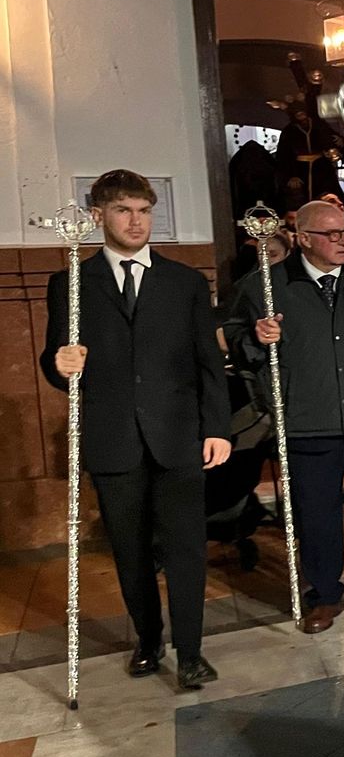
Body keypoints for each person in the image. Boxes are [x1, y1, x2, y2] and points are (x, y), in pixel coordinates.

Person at [40, 169, 231, 689]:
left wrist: (217, 427)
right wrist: (62, 365)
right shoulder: (71, 284)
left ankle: (191, 652)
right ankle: (148, 641)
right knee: (129, 549)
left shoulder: (186, 282)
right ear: (99, 215)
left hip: (178, 437)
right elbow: (56, 365)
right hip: (112, 437)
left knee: (187, 548)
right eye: (124, 211)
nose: (136, 221)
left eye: (144, 211)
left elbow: (207, 364)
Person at [225, 200, 344, 633]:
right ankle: (324, 594)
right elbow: (237, 343)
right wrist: (257, 336)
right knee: (317, 512)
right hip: (308, 418)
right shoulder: (266, 287)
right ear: (303, 238)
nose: (343, 240)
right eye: (331, 234)